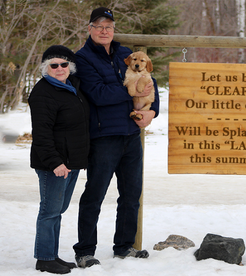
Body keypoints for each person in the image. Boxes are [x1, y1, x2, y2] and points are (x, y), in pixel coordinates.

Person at [72, 7, 160, 268]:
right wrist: (132, 91)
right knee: (94, 195)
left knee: (132, 194)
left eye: (108, 26)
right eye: (98, 26)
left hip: (131, 134)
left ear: (113, 30)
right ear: (89, 29)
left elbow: (150, 84)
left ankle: (124, 247)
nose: (104, 31)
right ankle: (85, 251)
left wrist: (152, 111)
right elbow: (99, 94)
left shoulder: (126, 55)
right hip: (103, 136)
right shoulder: (83, 58)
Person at [29, 45, 90, 274]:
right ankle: (44, 258)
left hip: (71, 162)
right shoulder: (43, 93)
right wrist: (55, 162)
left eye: (64, 64)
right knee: (49, 211)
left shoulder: (71, 87)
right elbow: (42, 133)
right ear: (46, 68)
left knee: (58, 209)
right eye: (53, 65)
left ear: (70, 66)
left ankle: (51, 254)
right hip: (54, 164)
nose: (59, 68)